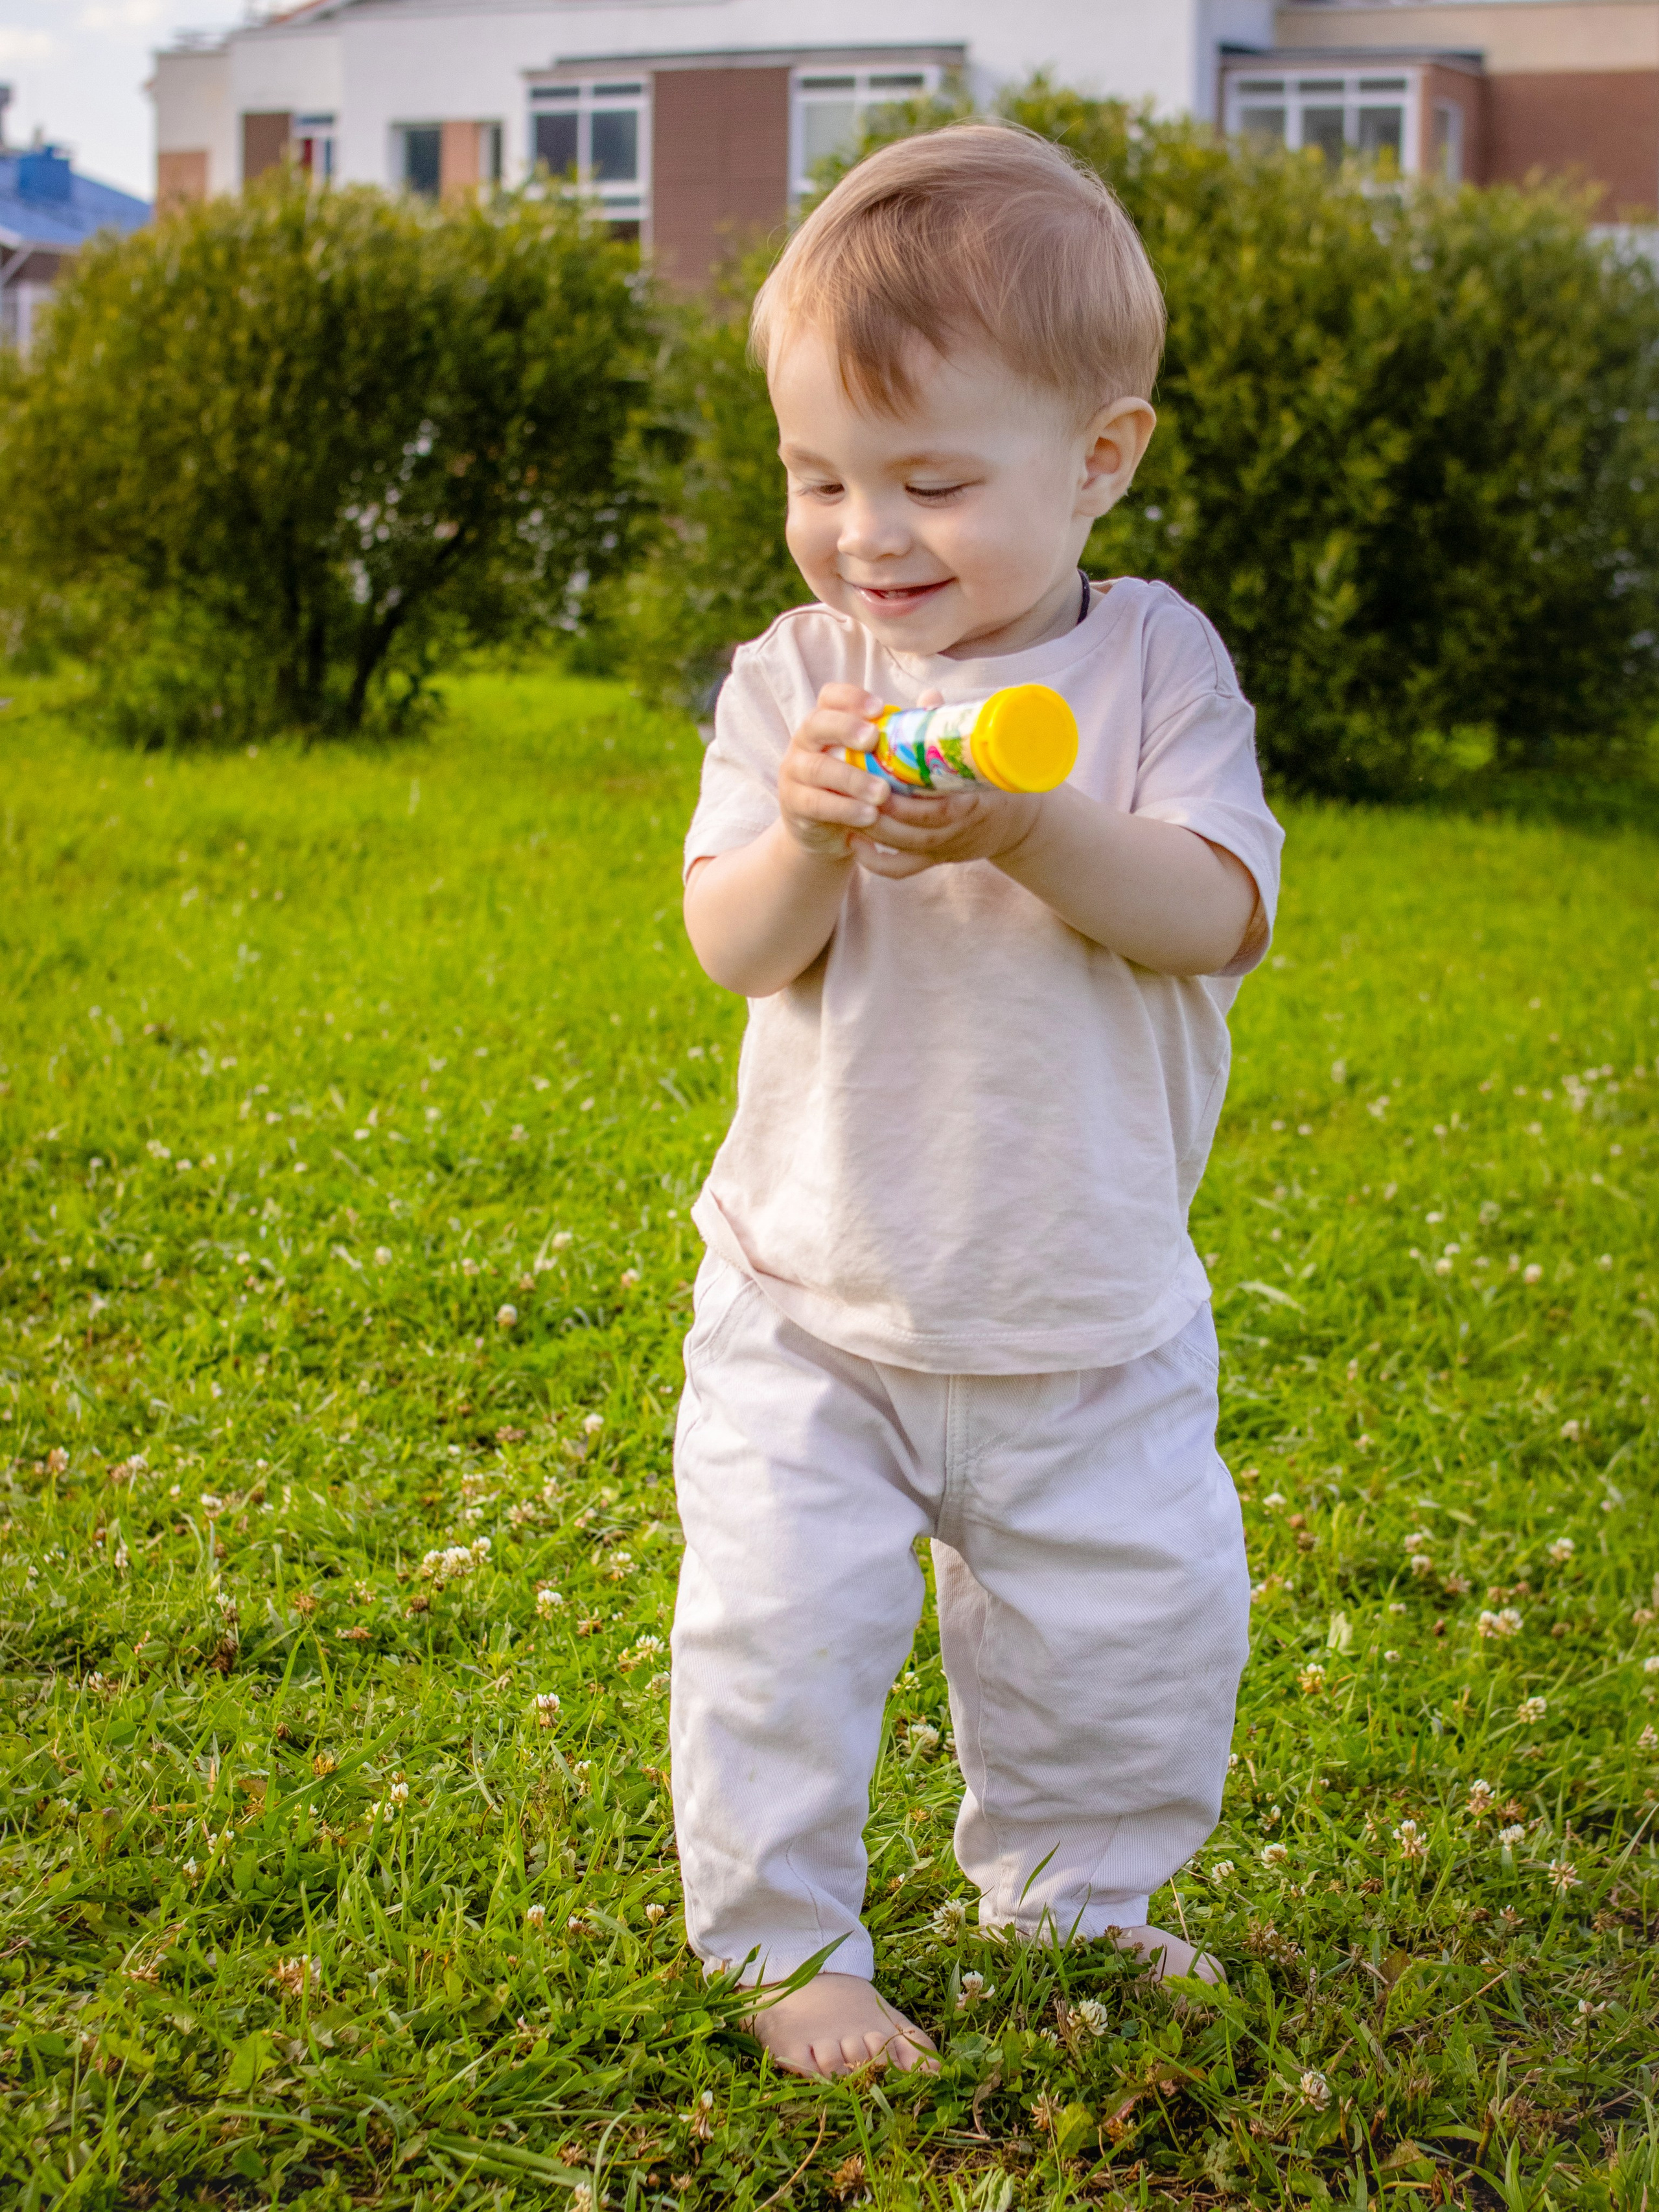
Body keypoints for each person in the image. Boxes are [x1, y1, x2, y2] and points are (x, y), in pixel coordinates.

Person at [670, 122, 1283, 2081]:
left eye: (934, 480)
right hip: (815, 1292)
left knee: (1131, 1638)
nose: (871, 532)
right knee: (777, 1631)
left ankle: (1084, 1898)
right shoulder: (800, 681)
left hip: (1083, 1299)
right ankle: (788, 1948)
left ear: (1102, 457)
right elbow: (736, 948)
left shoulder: (1158, 666)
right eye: (819, 477)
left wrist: (1030, 821)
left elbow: (1210, 912)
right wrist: (809, 840)